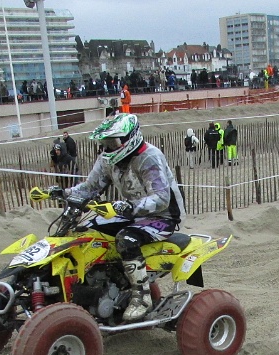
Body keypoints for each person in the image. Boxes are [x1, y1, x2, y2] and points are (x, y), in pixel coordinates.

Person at [53, 113, 184, 321]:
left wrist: (129, 207)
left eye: (112, 141)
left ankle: (142, 297)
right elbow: (91, 187)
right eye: (105, 142)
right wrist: (65, 193)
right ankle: (104, 285)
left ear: (129, 138)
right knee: (88, 229)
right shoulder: (107, 159)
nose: (108, 146)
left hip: (164, 215)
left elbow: (161, 198)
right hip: (131, 212)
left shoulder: (149, 157)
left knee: (126, 239)